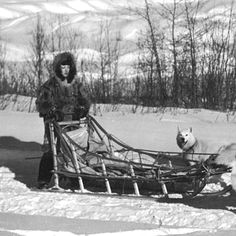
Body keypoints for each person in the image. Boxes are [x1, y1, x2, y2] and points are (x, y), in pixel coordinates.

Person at [35, 52, 90, 189]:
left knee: (72, 149)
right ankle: (43, 179)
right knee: (52, 149)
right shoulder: (50, 85)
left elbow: (85, 100)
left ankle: (71, 177)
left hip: (73, 123)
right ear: (58, 68)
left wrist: (83, 108)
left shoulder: (77, 85)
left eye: (68, 67)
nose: (66, 70)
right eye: (63, 67)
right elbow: (41, 103)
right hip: (55, 123)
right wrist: (49, 109)